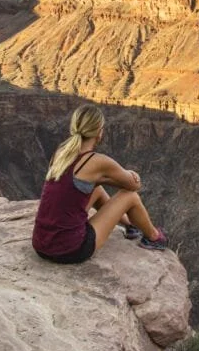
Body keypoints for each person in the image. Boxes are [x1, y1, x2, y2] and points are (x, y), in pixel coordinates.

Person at [32, 104, 168, 264]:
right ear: (99, 132)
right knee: (129, 196)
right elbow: (133, 186)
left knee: (96, 189)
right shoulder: (97, 161)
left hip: (41, 244)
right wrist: (132, 173)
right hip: (71, 250)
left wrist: (103, 179)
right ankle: (154, 237)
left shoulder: (61, 153)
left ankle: (131, 226)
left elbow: (85, 182)